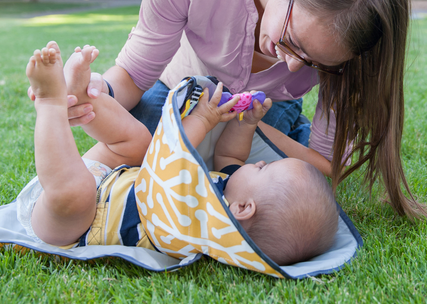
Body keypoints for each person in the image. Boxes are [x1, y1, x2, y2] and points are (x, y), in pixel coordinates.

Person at [57, 0, 425, 219]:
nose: (293, 64)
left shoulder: (354, 40)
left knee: (293, 188)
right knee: (148, 151)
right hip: (177, 90)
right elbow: (133, 78)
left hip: (265, 110)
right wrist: (93, 92)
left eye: (315, 63)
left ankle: (284, 127)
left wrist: (247, 123)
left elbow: (324, 164)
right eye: (291, 39)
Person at [19, 41, 338, 266]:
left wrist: (201, 119)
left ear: (242, 208)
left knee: (75, 193)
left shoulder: (209, 228)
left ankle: (50, 104)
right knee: (137, 144)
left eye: (264, 169)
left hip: (74, 224)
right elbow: (231, 157)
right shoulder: (230, 188)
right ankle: (81, 96)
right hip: (109, 181)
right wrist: (248, 123)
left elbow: (168, 161)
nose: (260, 162)